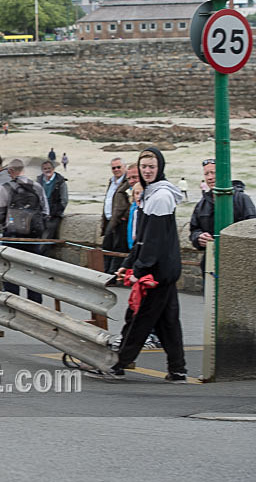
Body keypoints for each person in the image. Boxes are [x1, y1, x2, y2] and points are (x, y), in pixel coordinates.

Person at [109, 147, 187, 381]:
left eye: (152, 167)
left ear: (159, 167)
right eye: (144, 167)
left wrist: (139, 269)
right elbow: (143, 238)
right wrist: (130, 263)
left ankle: (118, 363)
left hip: (157, 272)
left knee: (140, 317)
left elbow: (154, 240)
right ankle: (178, 368)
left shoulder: (161, 197)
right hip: (164, 269)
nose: (148, 171)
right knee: (167, 321)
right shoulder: (150, 193)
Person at [189, 158, 256, 276]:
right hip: (210, 267)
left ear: (224, 174)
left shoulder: (242, 199)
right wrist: (199, 237)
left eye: (213, 172)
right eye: (206, 174)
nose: (209, 177)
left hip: (239, 266)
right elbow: (194, 230)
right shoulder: (201, 204)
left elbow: (252, 228)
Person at [0, 159, 49, 303]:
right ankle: (36, 303)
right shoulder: (37, 186)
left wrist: (7, 226)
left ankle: (13, 303)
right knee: (33, 271)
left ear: (11, 171)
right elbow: (45, 211)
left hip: (12, 236)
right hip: (33, 237)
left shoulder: (6, 187)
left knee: (11, 270)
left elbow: (0, 214)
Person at [101, 157, 131, 277]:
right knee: (106, 248)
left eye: (119, 167)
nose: (116, 169)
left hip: (120, 222)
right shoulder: (112, 181)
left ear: (125, 167)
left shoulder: (128, 182)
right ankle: (105, 274)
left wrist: (124, 216)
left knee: (118, 250)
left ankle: (112, 276)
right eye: (114, 168)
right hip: (109, 220)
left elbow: (133, 202)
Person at [36, 160, 68, 249]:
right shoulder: (39, 181)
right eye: (45, 169)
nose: (47, 170)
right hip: (41, 214)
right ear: (42, 170)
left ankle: (41, 255)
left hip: (54, 215)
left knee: (47, 237)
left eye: (49, 168)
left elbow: (64, 200)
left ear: (53, 169)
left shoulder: (60, 182)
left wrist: (55, 213)